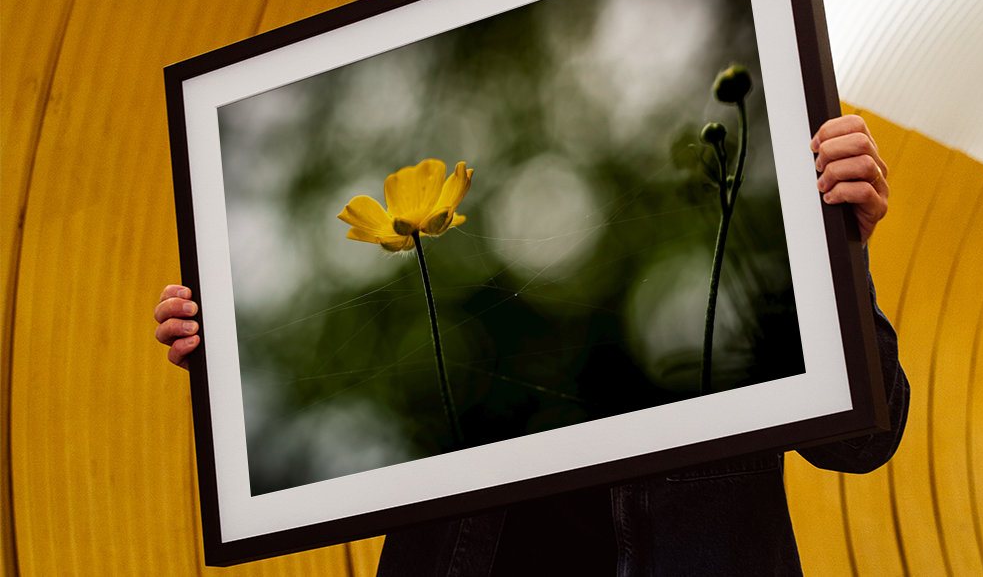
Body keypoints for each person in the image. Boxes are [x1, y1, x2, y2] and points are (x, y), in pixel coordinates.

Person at [155, 115, 908, 575]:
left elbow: (865, 440)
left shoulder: (730, 274)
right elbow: (338, 429)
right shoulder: (456, 331)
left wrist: (839, 249)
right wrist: (235, 351)